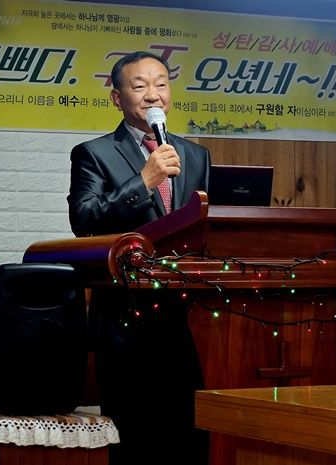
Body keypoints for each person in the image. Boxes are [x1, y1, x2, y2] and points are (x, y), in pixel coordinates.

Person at [67, 51, 211, 465]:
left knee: (188, 435)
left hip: (187, 318)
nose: (153, 94)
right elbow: (84, 220)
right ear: (117, 98)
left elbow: (203, 226)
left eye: (161, 84)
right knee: (134, 437)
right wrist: (144, 180)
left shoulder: (195, 155)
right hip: (125, 317)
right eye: (140, 86)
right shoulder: (93, 153)